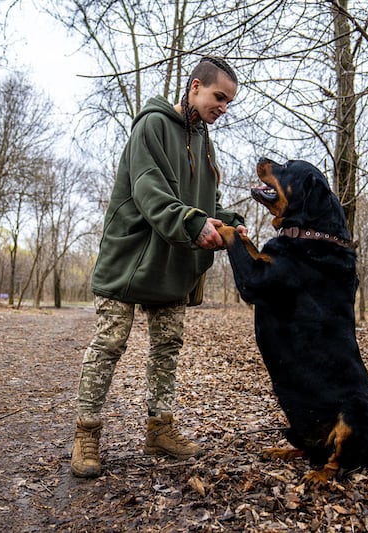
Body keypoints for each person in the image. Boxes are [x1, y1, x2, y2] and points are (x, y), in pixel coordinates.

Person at [70, 56, 247, 478]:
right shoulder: (150, 126)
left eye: (228, 102)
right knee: (109, 346)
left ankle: (160, 429)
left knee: (167, 347)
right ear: (195, 87)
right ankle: (86, 434)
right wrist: (193, 222)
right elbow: (151, 193)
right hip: (130, 258)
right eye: (218, 97)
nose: (223, 107)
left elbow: (199, 204)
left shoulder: (204, 140)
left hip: (174, 261)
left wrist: (226, 221)